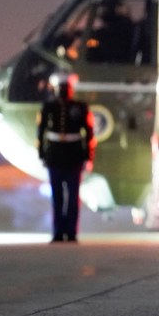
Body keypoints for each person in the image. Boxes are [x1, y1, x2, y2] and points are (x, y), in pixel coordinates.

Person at [37, 73, 95, 243]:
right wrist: (42, 153)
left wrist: (87, 156)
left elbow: (88, 133)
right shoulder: (48, 106)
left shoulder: (80, 107)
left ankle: (71, 232)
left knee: (72, 197)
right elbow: (41, 131)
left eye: (65, 88)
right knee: (57, 197)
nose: (63, 91)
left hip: (73, 156)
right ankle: (58, 231)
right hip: (55, 155)